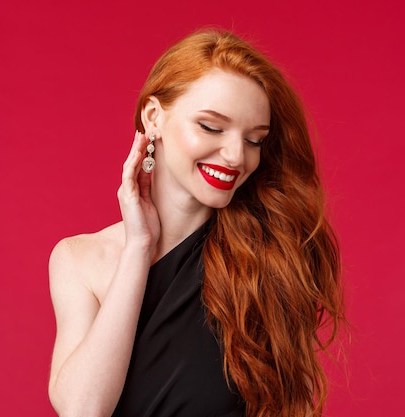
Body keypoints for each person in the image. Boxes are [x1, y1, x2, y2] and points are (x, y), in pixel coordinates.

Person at [47, 29, 345, 417]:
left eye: (255, 140)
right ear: (153, 117)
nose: (237, 156)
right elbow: (83, 409)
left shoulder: (273, 262)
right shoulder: (77, 259)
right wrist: (139, 246)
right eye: (211, 127)